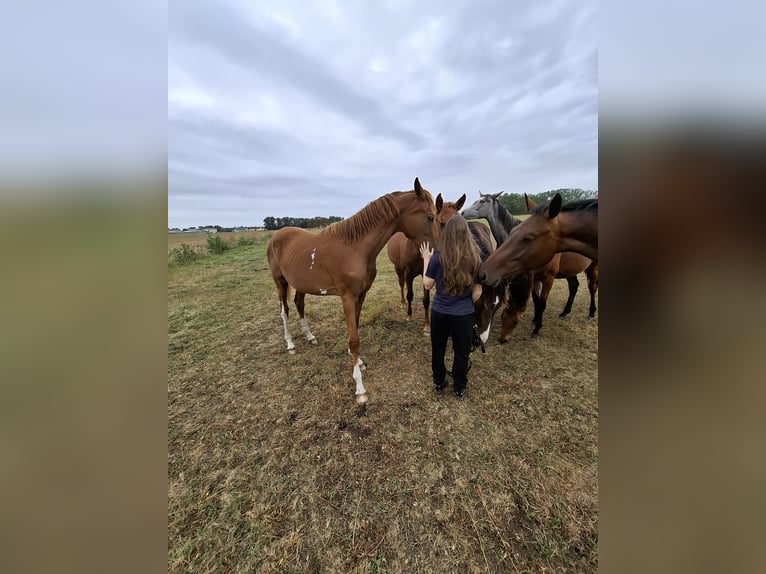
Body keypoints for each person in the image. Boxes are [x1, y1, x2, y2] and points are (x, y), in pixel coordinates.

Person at [419, 215, 482, 399]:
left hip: (439, 313)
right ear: (466, 235)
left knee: (438, 349)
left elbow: (427, 284)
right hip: (463, 315)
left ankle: (439, 382)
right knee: (462, 353)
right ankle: (459, 387)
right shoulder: (475, 259)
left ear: (446, 235)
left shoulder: (437, 258)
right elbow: (477, 293)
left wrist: (426, 259)